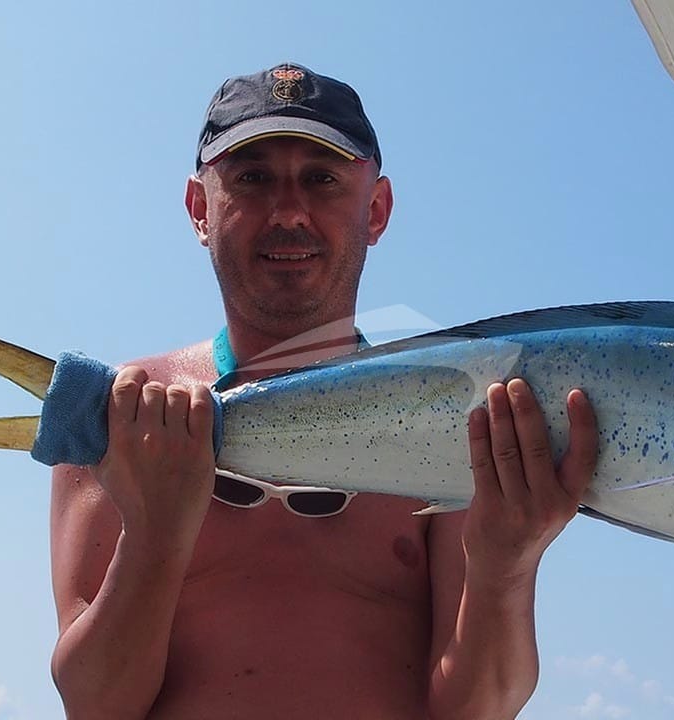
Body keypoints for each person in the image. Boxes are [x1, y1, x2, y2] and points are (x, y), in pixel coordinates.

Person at [48, 62, 600, 720]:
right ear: (200, 208)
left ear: (377, 209)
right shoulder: (123, 414)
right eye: (252, 178)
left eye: (322, 178)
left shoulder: (453, 422)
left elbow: (474, 710)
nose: (288, 211)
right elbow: (93, 704)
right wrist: (157, 535)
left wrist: (508, 562)